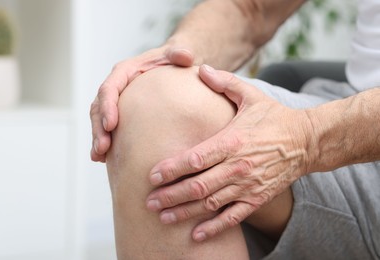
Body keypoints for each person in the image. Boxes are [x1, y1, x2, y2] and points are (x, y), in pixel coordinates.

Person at [91, 0, 380, 258]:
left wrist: (307, 138)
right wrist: (176, 54)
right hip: (349, 113)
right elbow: (252, 8)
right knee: (153, 104)